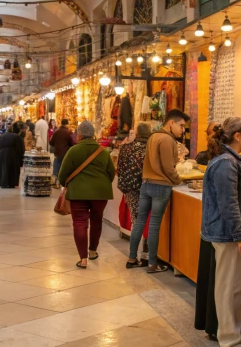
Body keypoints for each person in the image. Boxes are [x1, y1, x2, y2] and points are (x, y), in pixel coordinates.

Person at [200, 117, 241, 347]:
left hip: (237, 234)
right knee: (229, 286)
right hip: (230, 236)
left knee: (239, 286)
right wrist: (240, 236)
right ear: (237, 136)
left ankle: (238, 332)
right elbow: (229, 204)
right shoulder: (226, 163)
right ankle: (229, 337)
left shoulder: (232, 160)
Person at [126, 109, 189, 273]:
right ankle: (152, 263)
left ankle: (132, 258)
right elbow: (169, 168)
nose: (182, 130)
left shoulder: (153, 136)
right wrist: (178, 180)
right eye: (181, 126)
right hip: (160, 185)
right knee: (154, 225)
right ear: (171, 123)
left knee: (139, 222)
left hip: (146, 184)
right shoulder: (167, 139)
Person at [58, 122, 116, 269]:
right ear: (93, 134)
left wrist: (68, 184)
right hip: (100, 193)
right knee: (97, 220)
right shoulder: (103, 151)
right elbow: (111, 172)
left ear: (79, 135)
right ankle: (93, 251)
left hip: (78, 193)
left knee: (80, 223)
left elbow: (62, 174)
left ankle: (83, 259)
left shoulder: (73, 151)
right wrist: (101, 185)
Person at [116, 123, 152, 261]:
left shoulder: (125, 147)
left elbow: (119, 167)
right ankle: (145, 253)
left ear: (136, 134)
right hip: (147, 187)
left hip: (129, 189)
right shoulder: (151, 148)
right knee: (149, 220)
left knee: (136, 221)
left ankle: (132, 257)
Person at [0, 122, 26, 188]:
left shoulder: (1, 136)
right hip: (13, 154)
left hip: (2, 154)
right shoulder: (17, 137)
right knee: (12, 168)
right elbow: (21, 148)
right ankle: (12, 182)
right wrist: (21, 159)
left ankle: (3, 182)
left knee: (3, 168)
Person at [49, 119, 75, 188]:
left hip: (57, 153)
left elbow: (51, 142)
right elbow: (73, 143)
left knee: (56, 166)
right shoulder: (69, 132)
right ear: (67, 124)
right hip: (66, 153)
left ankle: (56, 182)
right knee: (64, 168)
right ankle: (63, 182)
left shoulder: (56, 132)